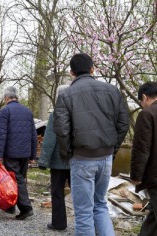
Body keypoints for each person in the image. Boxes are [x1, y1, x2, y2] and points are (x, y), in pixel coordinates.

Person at [53, 53, 129, 235]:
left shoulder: (66, 95)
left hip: (82, 157)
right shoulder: (112, 90)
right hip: (106, 157)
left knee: (84, 212)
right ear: (92, 69)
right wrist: (113, 149)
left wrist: (67, 154)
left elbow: (62, 130)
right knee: (100, 205)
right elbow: (123, 124)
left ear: (71, 73)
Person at [0, 86, 37, 220]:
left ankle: (26, 208)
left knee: (15, 180)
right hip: (25, 152)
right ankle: (10, 206)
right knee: (19, 179)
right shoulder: (27, 111)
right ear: (16, 97)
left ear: (6, 98)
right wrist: (32, 155)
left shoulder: (5, 111)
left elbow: (1, 134)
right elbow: (33, 135)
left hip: (11, 153)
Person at [38, 84, 70, 231]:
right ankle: (91, 225)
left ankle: (59, 223)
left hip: (58, 162)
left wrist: (43, 161)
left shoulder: (55, 114)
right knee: (82, 193)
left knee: (57, 192)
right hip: (77, 160)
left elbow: (50, 139)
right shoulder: (78, 113)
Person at [130, 82, 157, 236]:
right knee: (153, 215)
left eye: (141, 101)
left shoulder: (147, 114)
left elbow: (141, 148)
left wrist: (136, 176)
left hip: (155, 176)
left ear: (145, 97)